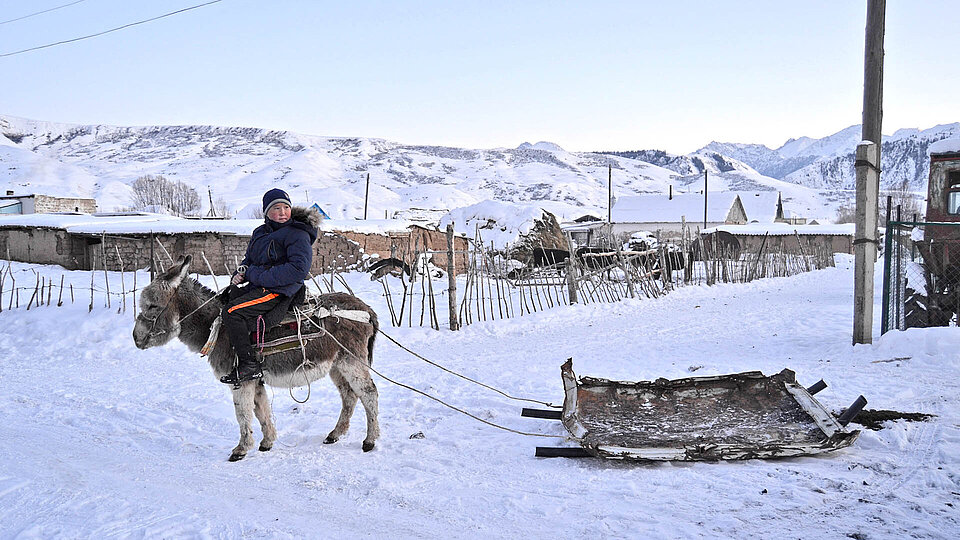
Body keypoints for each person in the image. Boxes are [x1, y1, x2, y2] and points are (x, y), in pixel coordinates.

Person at [220, 188, 319, 385]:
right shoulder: (260, 232)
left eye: (286, 207)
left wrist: (258, 276)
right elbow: (249, 259)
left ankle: (249, 365)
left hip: (279, 290)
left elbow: (298, 269)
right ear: (266, 212)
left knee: (232, 312)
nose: (282, 212)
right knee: (225, 298)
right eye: (276, 208)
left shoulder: (297, 234)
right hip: (260, 285)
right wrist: (240, 272)